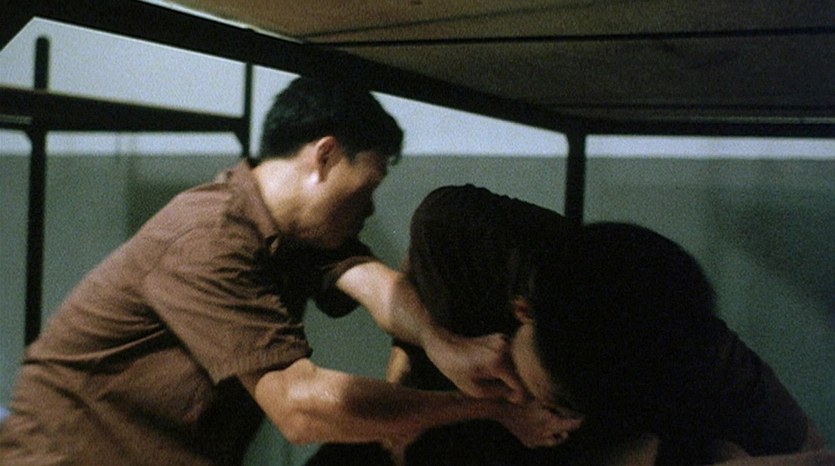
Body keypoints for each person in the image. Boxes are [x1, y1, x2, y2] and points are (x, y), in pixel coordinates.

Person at [0, 80, 576, 466]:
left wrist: (442, 342)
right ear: (324, 156)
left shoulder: (294, 231)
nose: (370, 209)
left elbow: (371, 281)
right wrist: (492, 408)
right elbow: (300, 407)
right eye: (369, 185)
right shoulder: (208, 237)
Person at [307, 184, 828, 465]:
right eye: (550, 398)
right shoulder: (463, 234)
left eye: (560, 407)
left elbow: (798, 444)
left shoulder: (686, 355)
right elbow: (412, 289)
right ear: (522, 311)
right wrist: (432, 348)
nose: (525, 398)